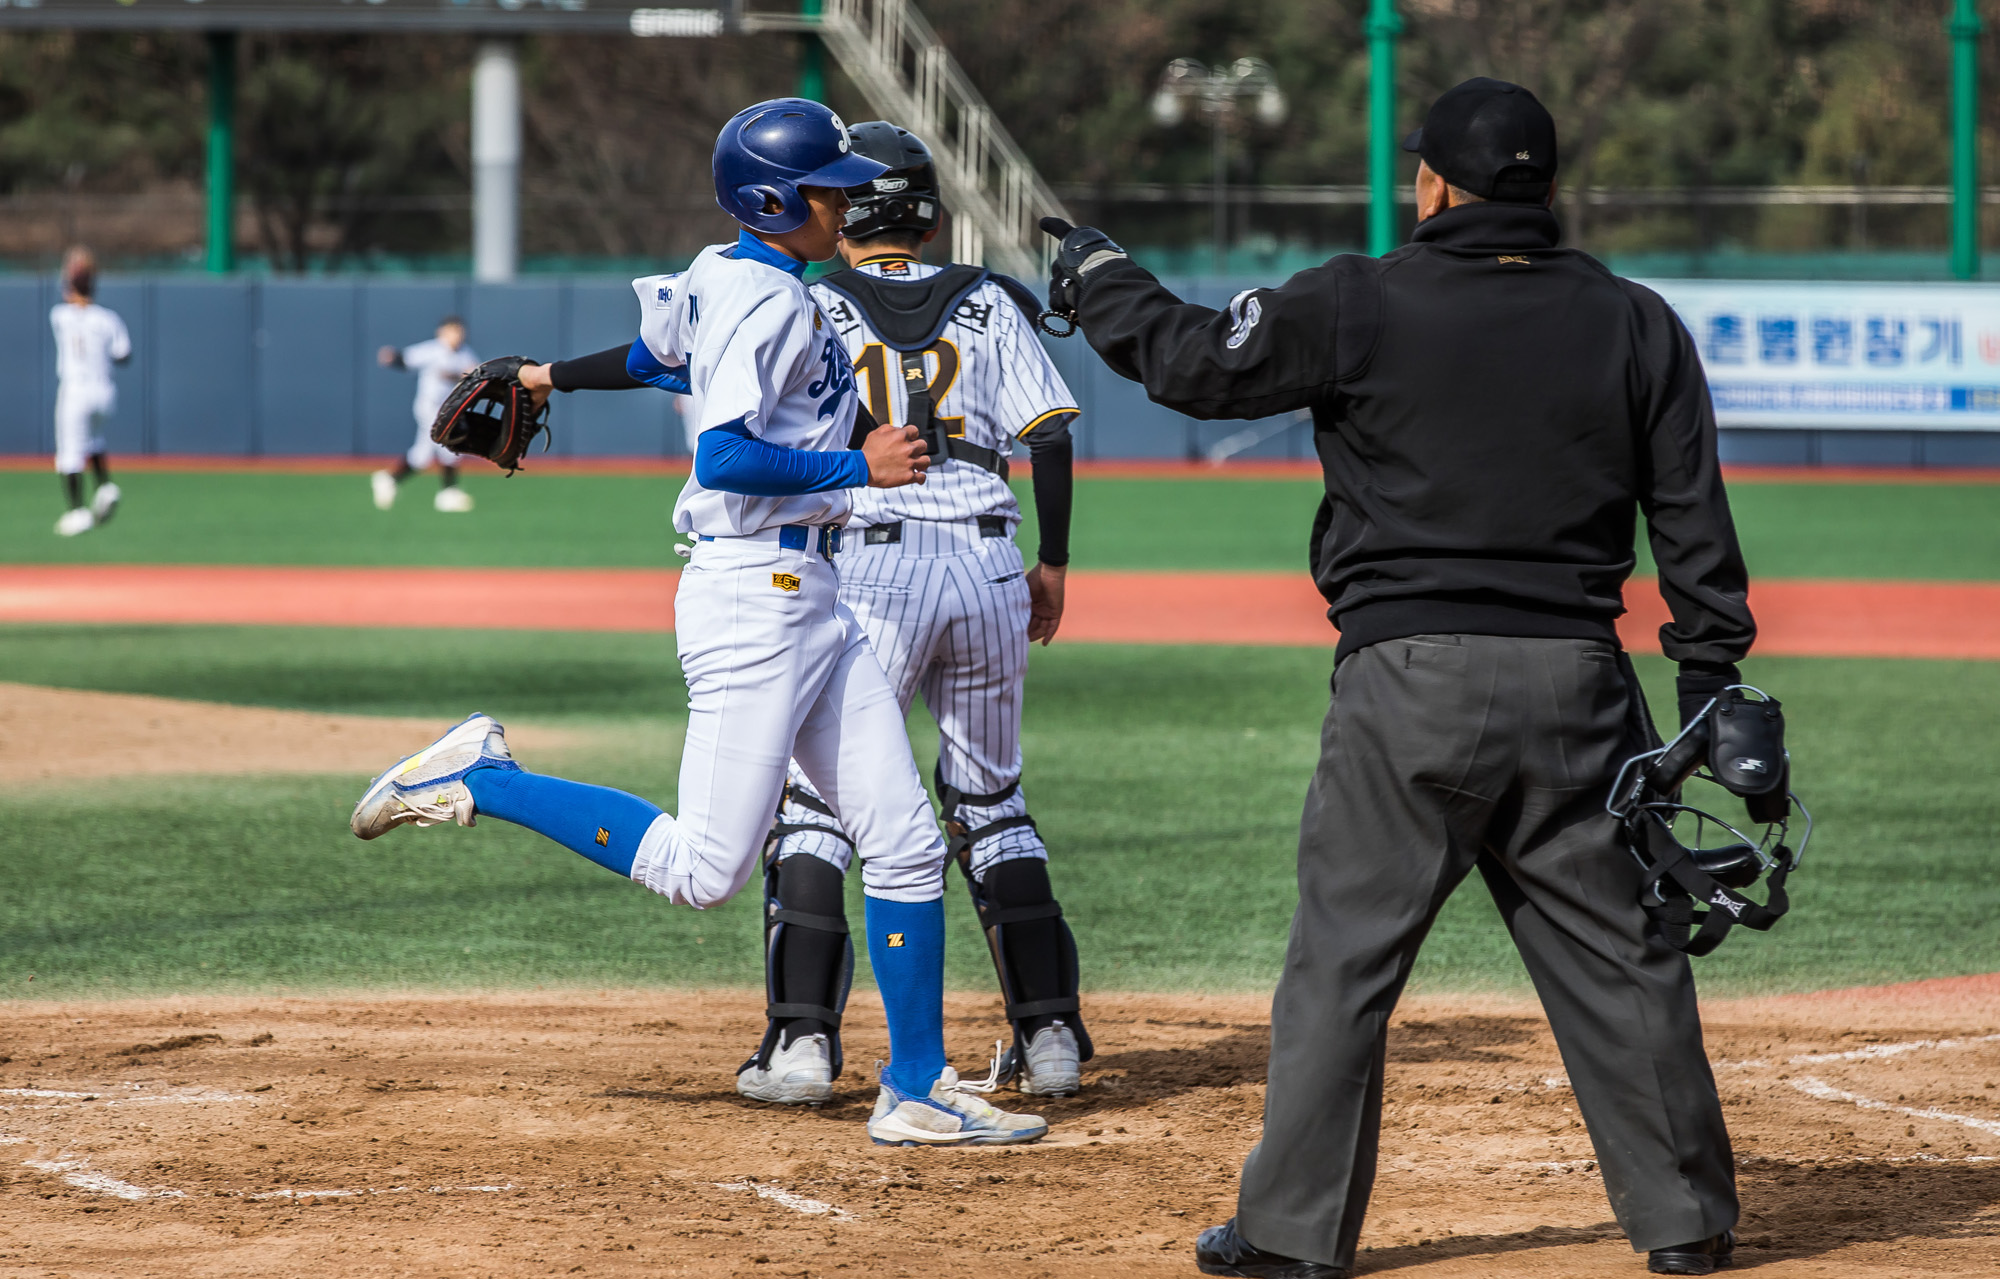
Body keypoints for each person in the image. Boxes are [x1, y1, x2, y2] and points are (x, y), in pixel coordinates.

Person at [1043, 78, 1755, 1277]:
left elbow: (1192, 366)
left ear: (1431, 181)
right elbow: (1690, 523)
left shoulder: (1360, 297)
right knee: (1622, 959)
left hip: (1406, 681)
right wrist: (1709, 692)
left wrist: (1100, 277)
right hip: (1578, 683)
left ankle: (1290, 1236)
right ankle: (1685, 1222)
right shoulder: (1633, 320)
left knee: (1345, 962)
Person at [350, 97, 1050, 1149]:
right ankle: (477, 777)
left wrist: (541, 375)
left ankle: (913, 1086)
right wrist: (857, 465)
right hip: (750, 599)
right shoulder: (767, 302)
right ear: (776, 202)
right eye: (825, 186)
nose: (844, 196)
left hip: (812, 599)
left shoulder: (727, 272)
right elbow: (720, 456)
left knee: (904, 841)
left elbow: (652, 355)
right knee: (704, 870)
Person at [731, 120, 1090, 1108]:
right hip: (985, 561)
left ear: (847, 218)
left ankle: (802, 1047)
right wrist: (1050, 563)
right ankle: (1050, 1035)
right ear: (928, 220)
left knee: (820, 806)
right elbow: (1049, 436)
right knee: (991, 803)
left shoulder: (808, 304)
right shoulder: (985, 300)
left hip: (871, 569)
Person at [50, 247, 130, 537]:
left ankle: (77, 511)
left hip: (75, 390)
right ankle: (105, 486)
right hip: (104, 391)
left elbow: (68, 292)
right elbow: (124, 355)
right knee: (94, 438)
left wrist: (73, 267)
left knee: (69, 452)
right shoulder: (108, 319)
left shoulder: (60, 315)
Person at [373, 316, 480, 512]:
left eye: (459, 331)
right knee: (449, 444)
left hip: (448, 409)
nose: (456, 335)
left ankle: (389, 478)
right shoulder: (434, 350)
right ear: (442, 332)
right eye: (452, 330)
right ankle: (449, 493)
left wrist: (464, 375)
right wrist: (392, 357)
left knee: (422, 455)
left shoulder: (466, 354)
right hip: (429, 407)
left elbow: (475, 377)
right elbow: (406, 359)